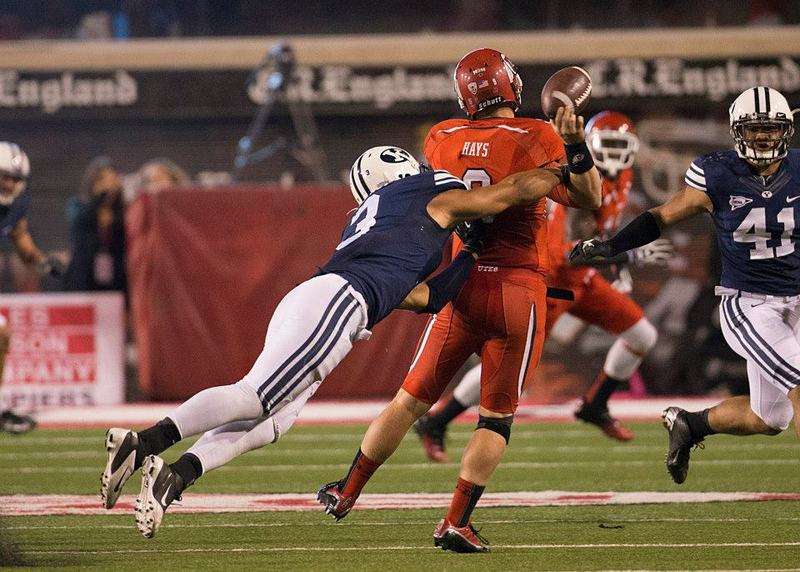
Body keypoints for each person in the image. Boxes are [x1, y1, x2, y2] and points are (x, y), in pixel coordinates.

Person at [101, 144, 577, 538]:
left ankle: (173, 476)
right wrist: (556, 170)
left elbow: (427, 297)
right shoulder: (430, 189)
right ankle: (143, 443)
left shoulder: (388, 218)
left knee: (272, 422)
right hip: (339, 301)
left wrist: (469, 255)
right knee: (255, 397)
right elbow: (507, 193)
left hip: (328, 301)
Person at [316, 48, 602, 554]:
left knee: (408, 401)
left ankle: (346, 490)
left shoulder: (441, 137)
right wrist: (575, 145)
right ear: (510, 85)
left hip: (461, 282)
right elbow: (588, 197)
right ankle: (454, 521)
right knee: (495, 417)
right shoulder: (539, 135)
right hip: (518, 288)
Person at [570, 86, 800, 485]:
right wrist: (612, 246)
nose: (763, 137)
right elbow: (662, 216)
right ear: (736, 132)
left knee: (771, 418)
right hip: (750, 306)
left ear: (787, 130)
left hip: (796, 301)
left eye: (771, 129)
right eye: (755, 129)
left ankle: (690, 425)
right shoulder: (717, 173)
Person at [413, 112, 672, 460]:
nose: (612, 156)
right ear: (588, 145)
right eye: (605, 146)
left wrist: (614, 259)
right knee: (508, 371)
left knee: (642, 335)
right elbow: (559, 255)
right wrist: (622, 256)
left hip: (585, 280)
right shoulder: (571, 182)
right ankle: (438, 421)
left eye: (620, 146)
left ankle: (595, 404)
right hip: (552, 283)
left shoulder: (622, 176)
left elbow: (597, 235)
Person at [0, 142, 63, 433]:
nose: (9, 183)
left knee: (2, 334)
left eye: (14, 178)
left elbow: (19, 234)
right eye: (4, 176)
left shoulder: (15, 204)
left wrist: (42, 263)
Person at [64, 157, 127, 295]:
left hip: (116, 276)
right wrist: (100, 197)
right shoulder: (78, 205)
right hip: (84, 275)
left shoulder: (123, 211)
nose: (107, 184)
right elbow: (79, 221)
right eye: (102, 179)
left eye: (112, 179)